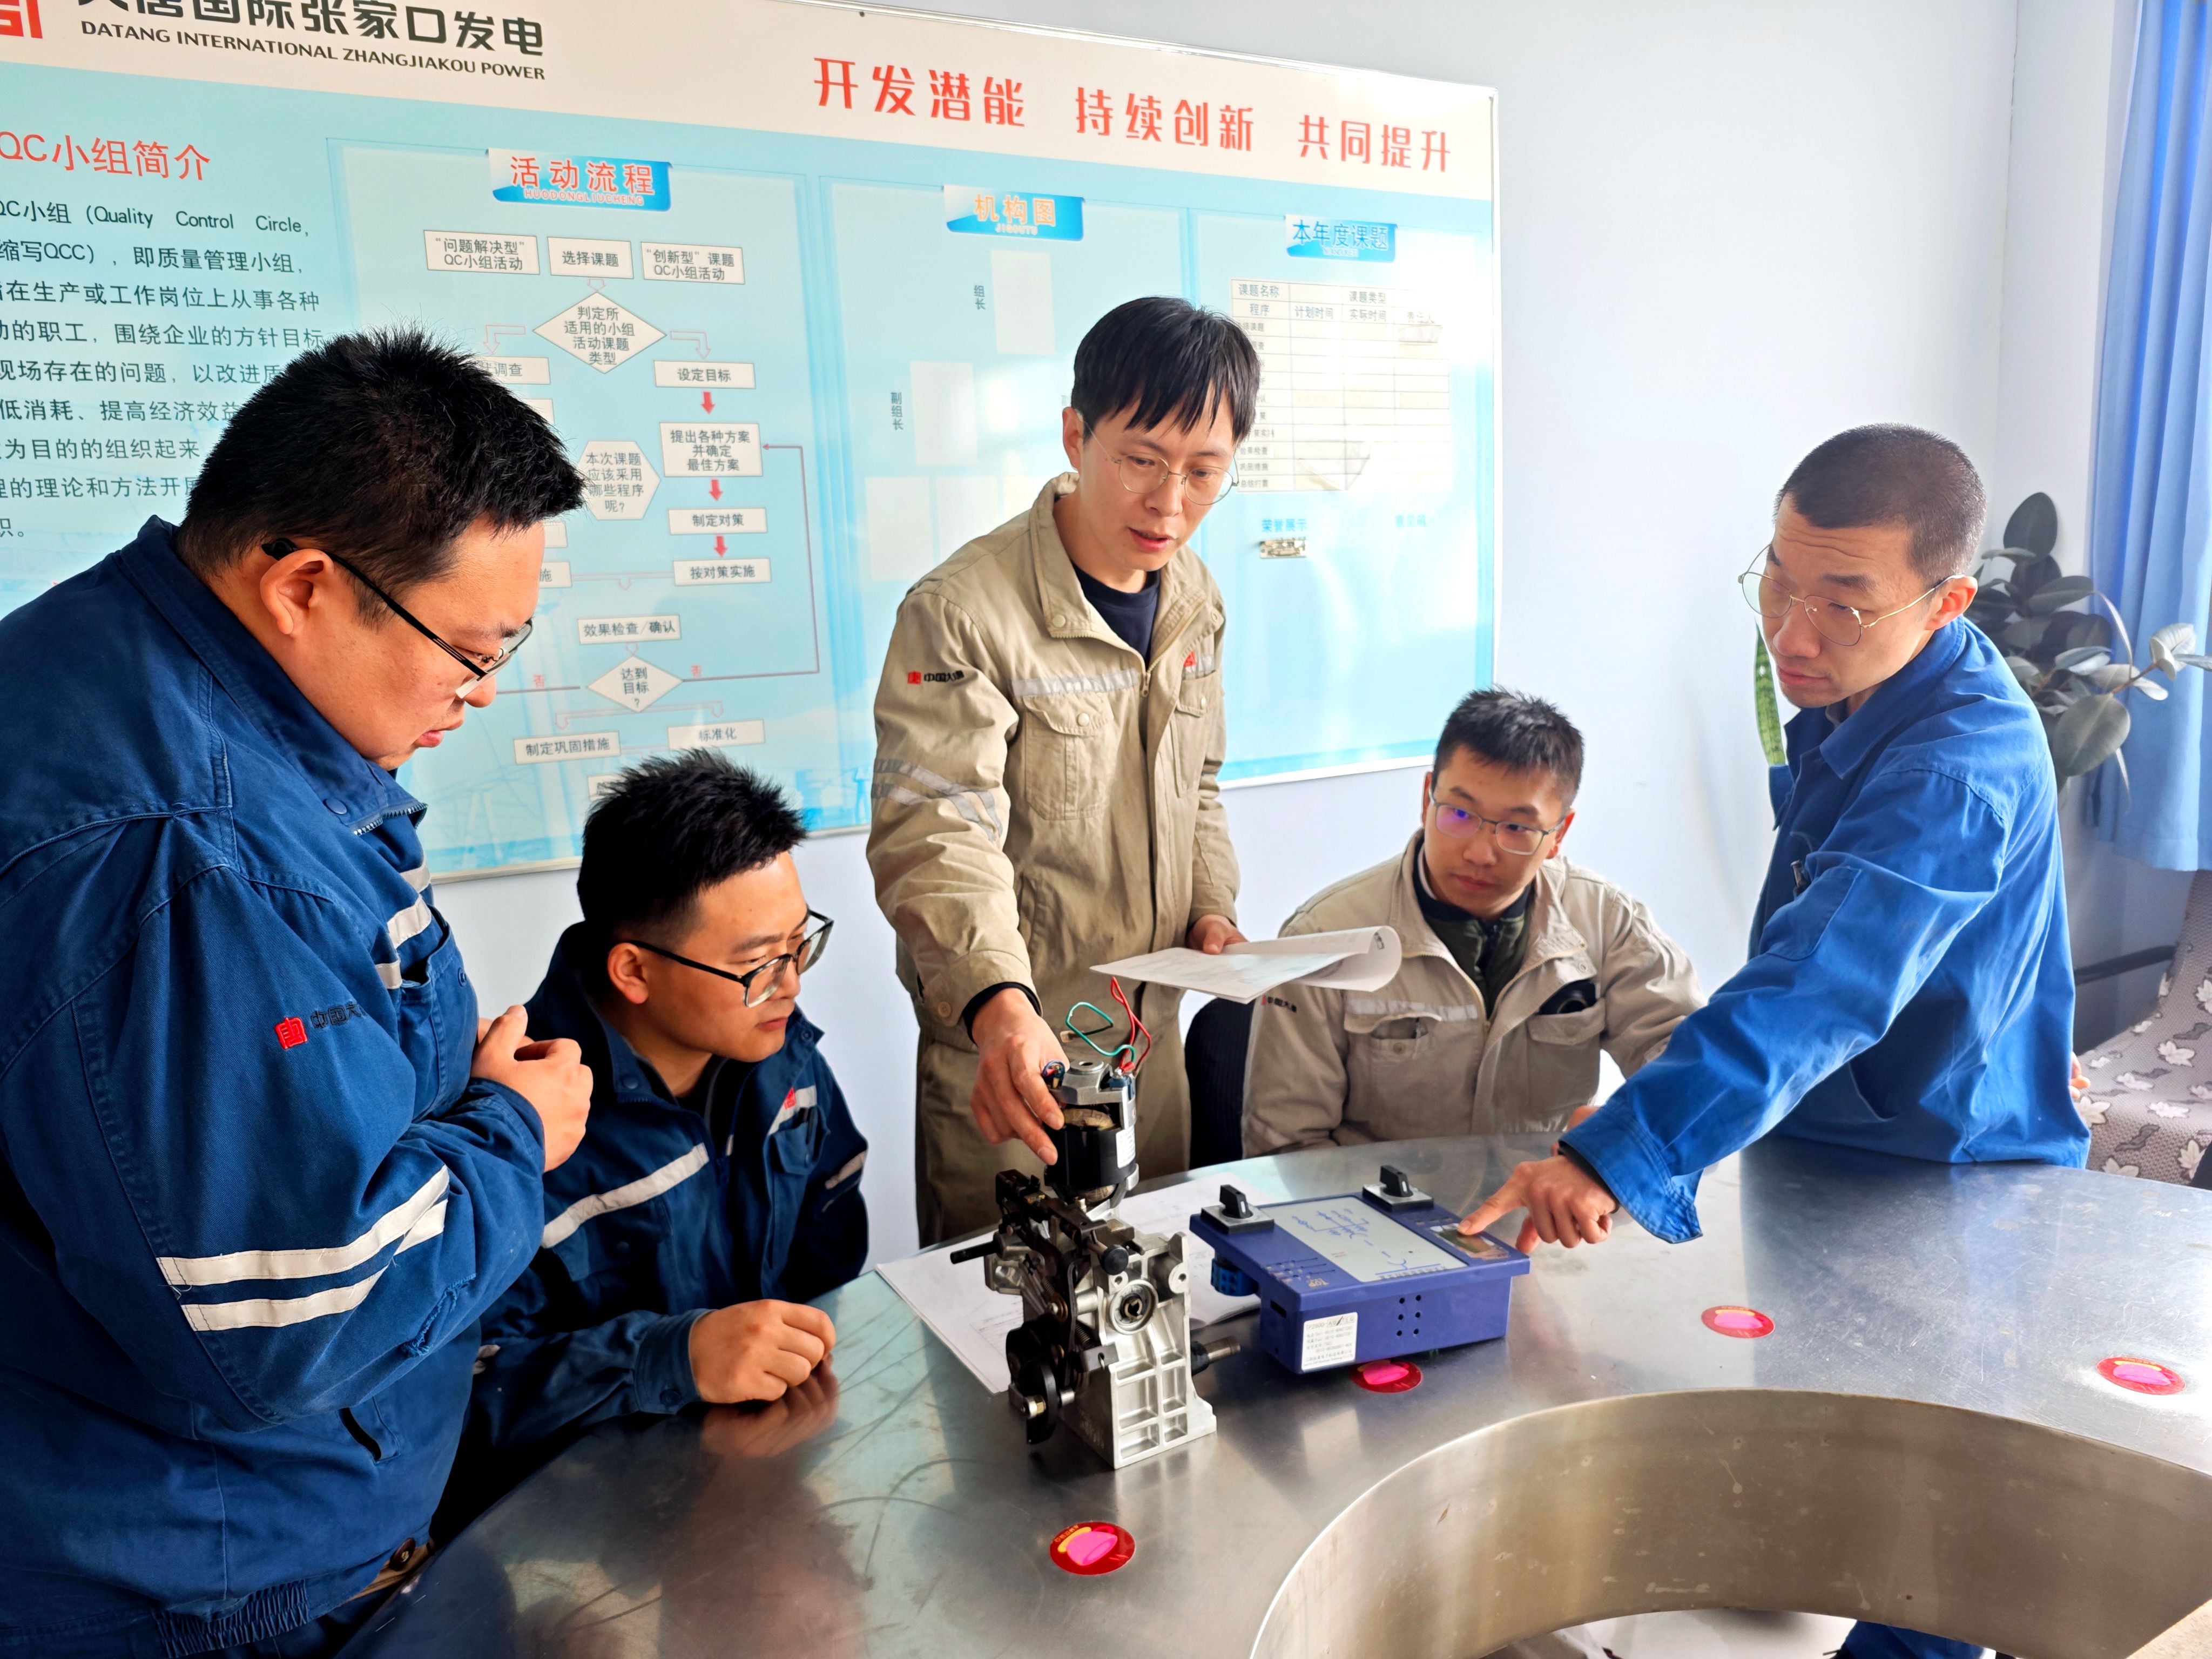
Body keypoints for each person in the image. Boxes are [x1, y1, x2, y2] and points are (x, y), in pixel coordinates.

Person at [0, 332, 594, 1658]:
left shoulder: (120, 669)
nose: (478, 694)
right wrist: (513, 1130)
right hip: (201, 1583)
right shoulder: (184, 853)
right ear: (305, 586)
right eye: (469, 650)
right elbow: (291, 1317)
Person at [1460, 425, 2084, 1659]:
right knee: (1834, 1468)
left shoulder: (1956, 764)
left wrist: (1626, 1147)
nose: (1792, 633)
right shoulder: (1863, 687)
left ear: (1947, 602)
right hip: (1839, 1140)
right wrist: (1642, 1129)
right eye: (1777, 582)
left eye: (1841, 602)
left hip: (1947, 1174)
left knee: (1928, 1532)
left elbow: (1818, 984)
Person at [868, 296, 1255, 1243]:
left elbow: (1197, 780)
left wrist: (1211, 906)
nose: (1170, 504)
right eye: (1142, 461)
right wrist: (1000, 1008)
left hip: (1150, 1041)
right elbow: (937, 828)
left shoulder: (1194, 596)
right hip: (1018, 1053)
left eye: (1204, 472)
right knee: (1016, 1301)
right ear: (1077, 435)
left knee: (1156, 1283)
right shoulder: (963, 611)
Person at [446, 752, 865, 1525]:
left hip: (765, 1476)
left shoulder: (781, 1060)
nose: (793, 984)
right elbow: (461, 1395)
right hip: (591, 1528)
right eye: (758, 963)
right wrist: (672, 1356)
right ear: (633, 971)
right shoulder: (521, 1130)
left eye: (799, 944)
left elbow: (829, 1244)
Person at [1243, 689, 1702, 1154]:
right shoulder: (1324, 937)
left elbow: (1692, 1076)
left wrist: (1618, 1150)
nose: (1480, 854)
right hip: (1370, 1197)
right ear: (1426, 798)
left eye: (1517, 828)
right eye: (1460, 814)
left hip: (1540, 1195)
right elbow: (1286, 1148)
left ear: (1559, 834)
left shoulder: (1608, 922)